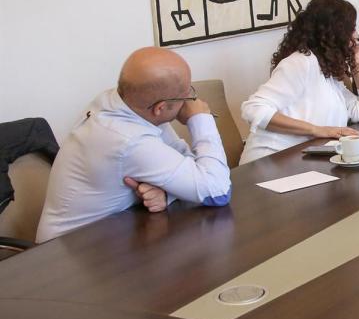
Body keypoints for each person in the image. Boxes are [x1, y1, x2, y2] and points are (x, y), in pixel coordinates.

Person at [36, 47, 232, 242]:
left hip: (111, 237)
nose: (192, 100)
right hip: (66, 256)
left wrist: (168, 191)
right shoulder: (128, 140)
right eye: (188, 94)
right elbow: (218, 191)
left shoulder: (125, 103)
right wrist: (200, 119)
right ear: (160, 108)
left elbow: (186, 165)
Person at [238, 0, 359, 164]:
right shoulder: (301, 63)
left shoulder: (327, 71)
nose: (356, 35)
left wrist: (357, 63)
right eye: (351, 28)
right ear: (334, 32)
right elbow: (254, 109)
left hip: (303, 160)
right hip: (272, 159)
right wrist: (317, 130)